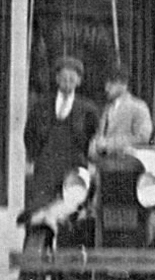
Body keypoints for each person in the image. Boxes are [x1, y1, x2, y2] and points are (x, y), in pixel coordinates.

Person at [23, 54, 100, 213]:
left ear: (79, 81)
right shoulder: (42, 106)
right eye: (64, 78)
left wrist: (87, 162)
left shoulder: (88, 109)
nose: (67, 82)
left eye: (72, 78)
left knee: (73, 218)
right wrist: (35, 158)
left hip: (75, 173)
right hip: (45, 170)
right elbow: (29, 133)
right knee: (40, 215)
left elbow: (94, 138)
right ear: (57, 79)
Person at [89, 62, 153, 156]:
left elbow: (143, 137)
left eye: (111, 84)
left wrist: (109, 144)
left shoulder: (138, 107)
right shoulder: (107, 108)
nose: (107, 89)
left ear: (123, 84)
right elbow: (100, 135)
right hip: (105, 163)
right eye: (106, 84)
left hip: (127, 162)